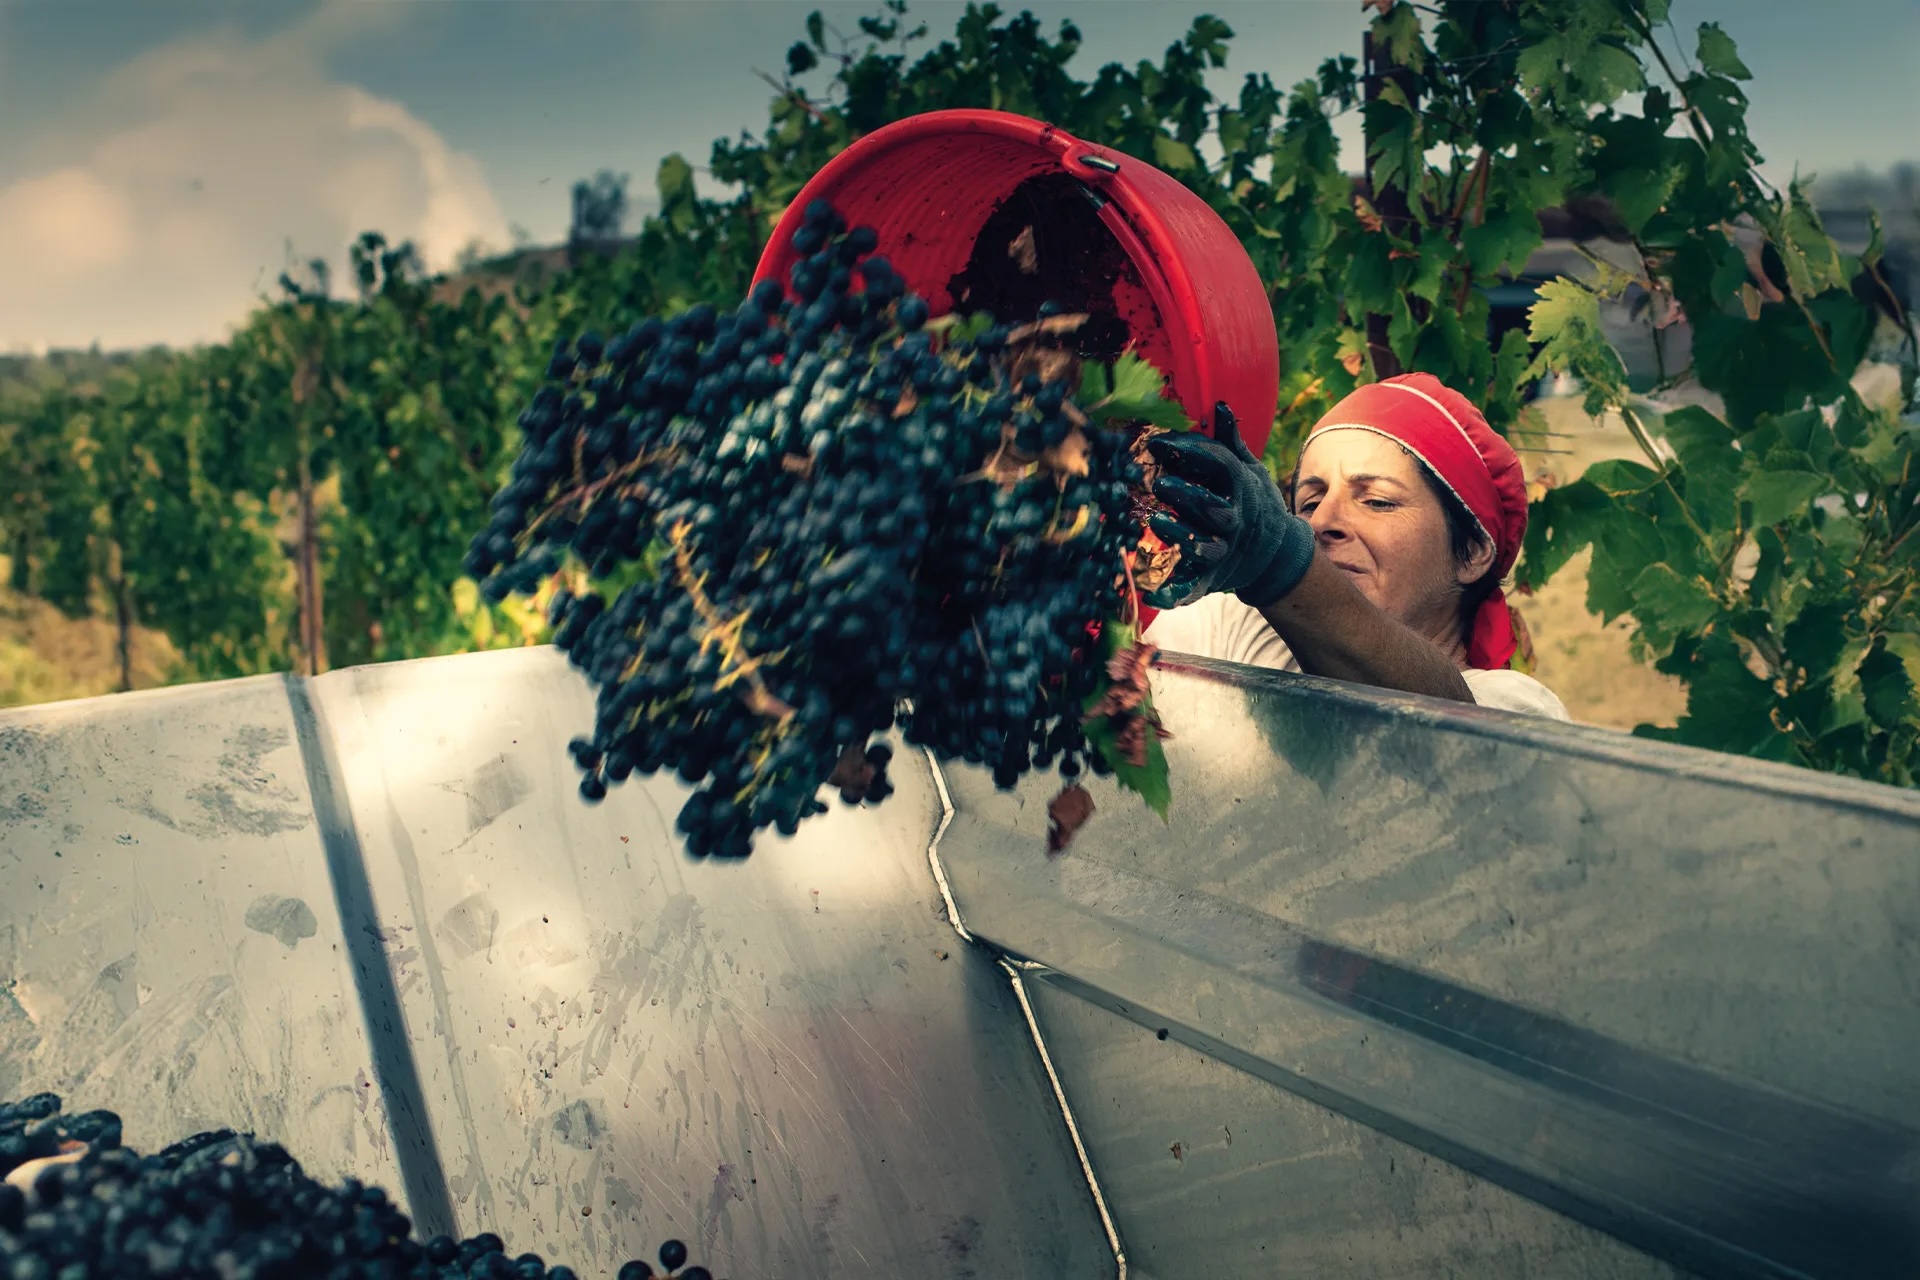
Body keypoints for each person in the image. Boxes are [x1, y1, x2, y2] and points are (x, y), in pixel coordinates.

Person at [1139, 372, 1569, 721]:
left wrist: (1280, 566)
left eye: (1377, 501)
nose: (1322, 521)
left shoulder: (1518, 711)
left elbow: (1443, 730)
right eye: (1308, 503)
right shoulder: (1235, 629)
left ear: (1472, 551)